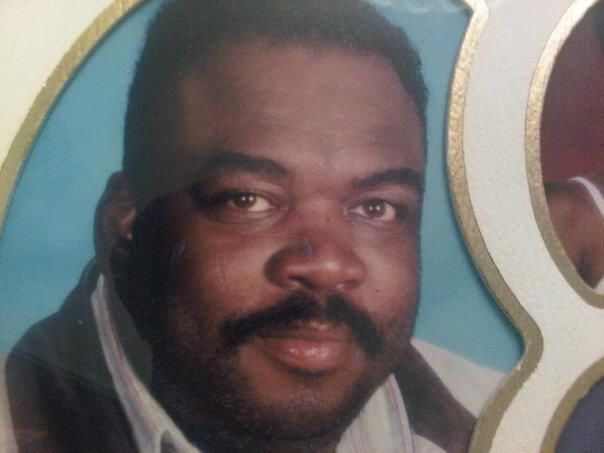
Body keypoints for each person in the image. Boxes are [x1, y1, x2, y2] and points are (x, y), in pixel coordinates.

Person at [3, 1, 502, 452]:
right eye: (248, 200)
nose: (327, 265)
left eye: (378, 208)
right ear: (126, 228)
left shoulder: (504, 418)